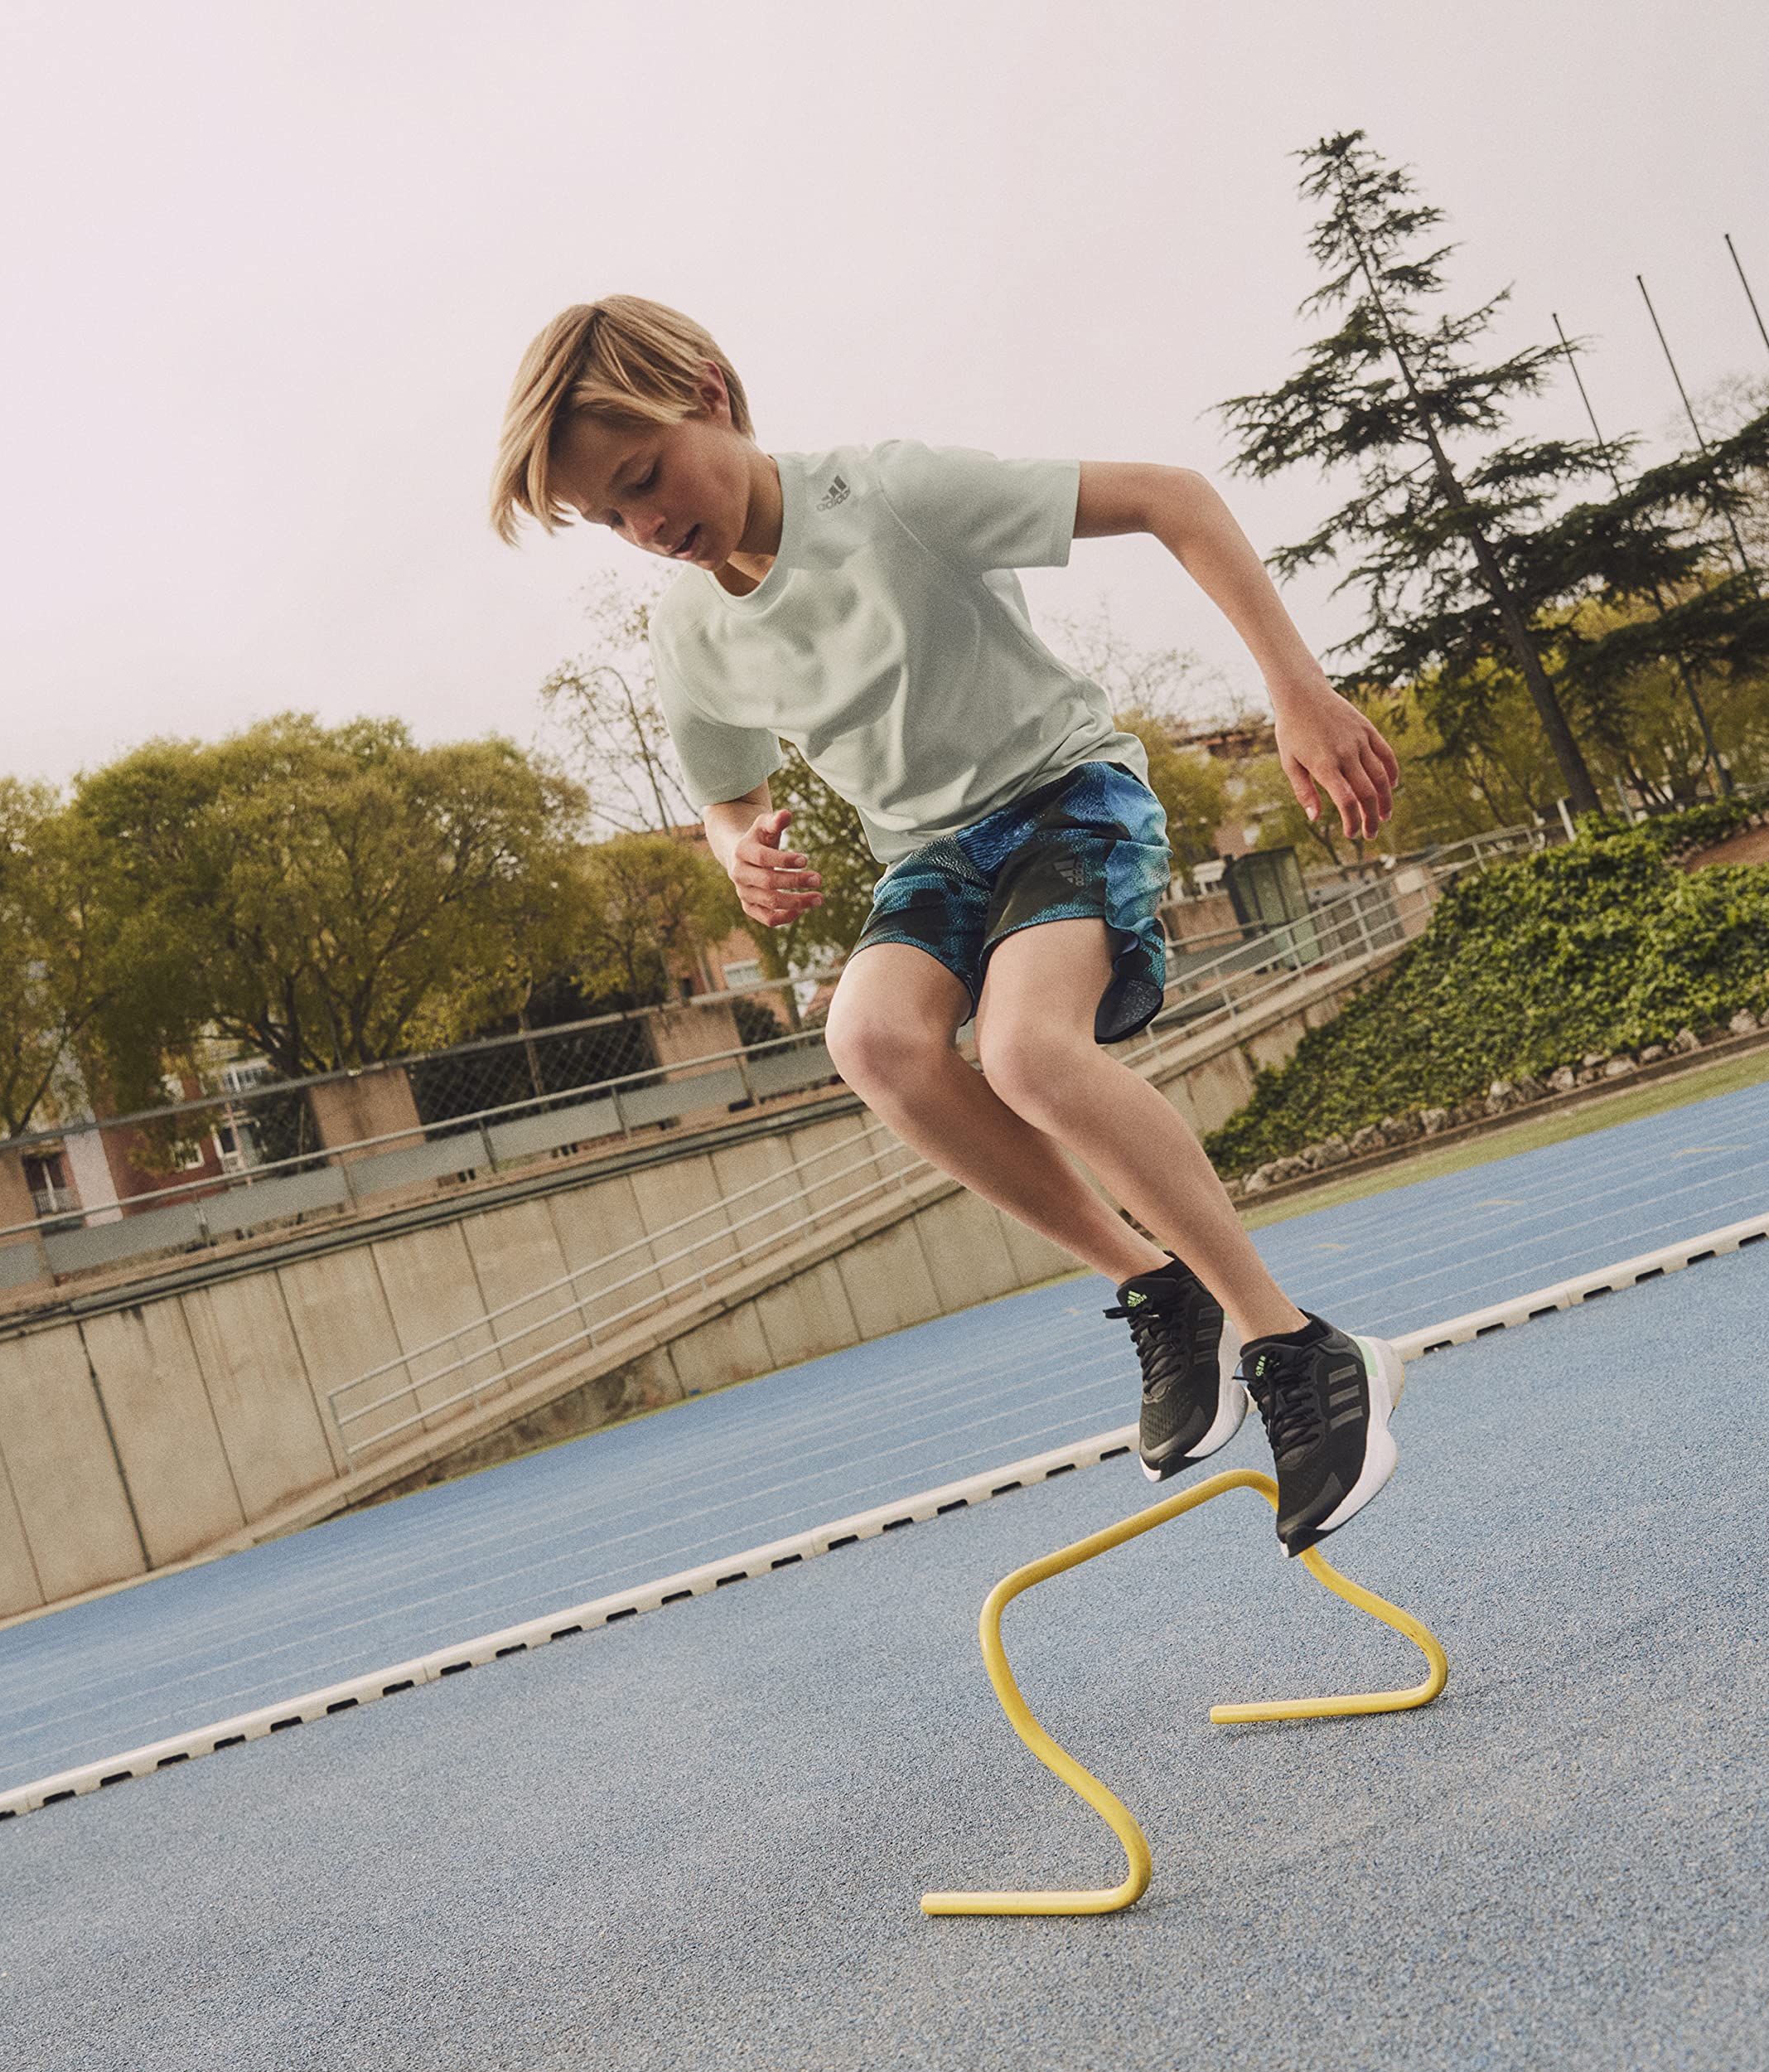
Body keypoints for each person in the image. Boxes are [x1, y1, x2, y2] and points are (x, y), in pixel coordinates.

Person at [490, 296, 1405, 1558]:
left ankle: (1296, 1343)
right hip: (930, 854)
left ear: (709, 392)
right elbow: (725, 791)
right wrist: (736, 850)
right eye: (611, 519)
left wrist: (1296, 689)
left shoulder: (894, 496)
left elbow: (1174, 498)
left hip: (1066, 798)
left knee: (1031, 1053)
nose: (647, 528)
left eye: (645, 479)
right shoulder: (690, 623)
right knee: (871, 1040)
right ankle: (1151, 1281)